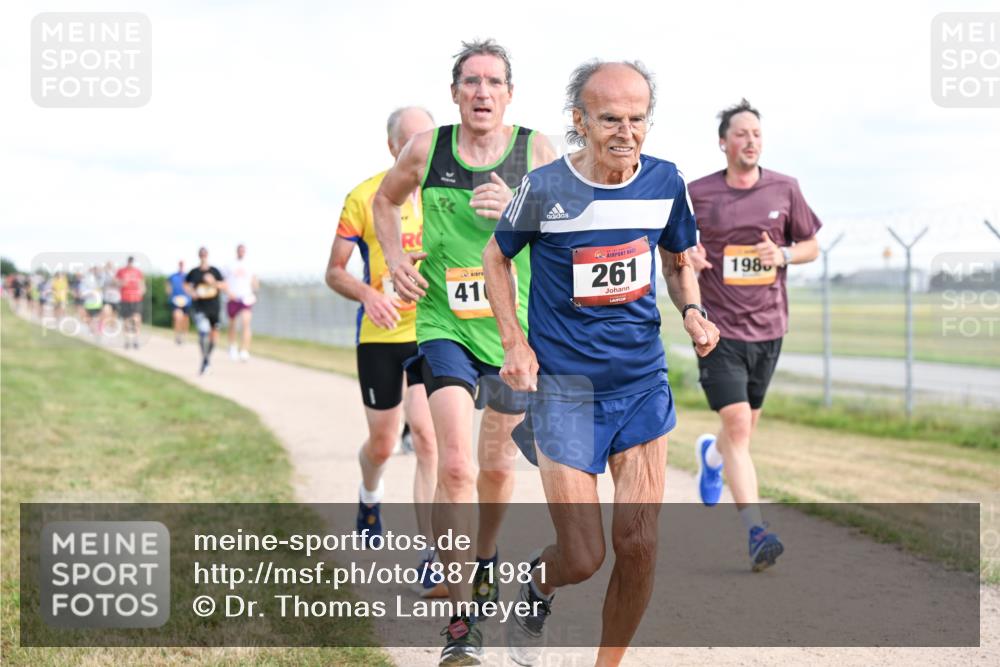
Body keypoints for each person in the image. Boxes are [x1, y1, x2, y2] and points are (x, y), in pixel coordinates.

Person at [484, 60, 719, 667]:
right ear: (580, 121)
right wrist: (514, 341)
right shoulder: (544, 188)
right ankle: (538, 587)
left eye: (637, 119)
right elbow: (496, 259)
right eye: (610, 118)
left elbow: (675, 258)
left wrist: (691, 310)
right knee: (584, 557)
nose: (626, 131)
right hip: (566, 392)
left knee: (638, 543)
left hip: (641, 385)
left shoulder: (666, 182)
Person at [374, 39, 555, 666]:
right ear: (454, 93)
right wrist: (395, 258)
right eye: (471, 82)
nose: (482, 93)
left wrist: (516, 209)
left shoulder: (537, 151)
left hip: (512, 331)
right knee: (456, 466)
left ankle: (483, 563)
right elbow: (385, 202)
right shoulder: (428, 148)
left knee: (499, 467)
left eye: (494, 83)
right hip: (443, 323)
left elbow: (568, 227)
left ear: (509, 94)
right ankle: (461, 616)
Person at [687, 98, 821, 571]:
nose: (750, 141)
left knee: (741, 432)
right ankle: (756, 531)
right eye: (741, 133)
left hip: (769, 328)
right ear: (723, 142)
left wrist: (782, 256)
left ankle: (712, 458)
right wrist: (689, 257)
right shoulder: (698, 193)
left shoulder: (786, 188)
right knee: (739, 426)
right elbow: (672, 247)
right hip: (717, 329)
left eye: (757, 134)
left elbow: (811, 245)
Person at [325, 105, 445, 598]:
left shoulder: (447, 195)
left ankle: (432, 553)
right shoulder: (364, 196)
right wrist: (369, 294)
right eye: (413, 140)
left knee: (428, 435)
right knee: (382, 443)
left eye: (430, 139)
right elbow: (334, 270)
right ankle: (369, 493)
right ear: (394, 147)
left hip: (434, 331)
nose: (423, 149)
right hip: (381, 333)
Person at [184, 247, 227, 375]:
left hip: (214, 307)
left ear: (207, 255)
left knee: (214, 335)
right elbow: (186, 285)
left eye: (205, 254)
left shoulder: (215, 271)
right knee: (204, 332)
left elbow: (224, 286)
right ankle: (205, 360)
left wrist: (213, 281)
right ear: (199, 255)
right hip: (200, 307)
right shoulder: (194, 272)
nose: (203, 256)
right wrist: (192, 292)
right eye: (201, 254)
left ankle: (207, 359)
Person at [224, 244, 259, 362]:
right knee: (233, 324)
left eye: (243, 250)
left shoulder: (250, 265)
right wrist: (229, 293)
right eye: (240, 250)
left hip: (245, 297)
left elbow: (254, 280)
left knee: (246, 323)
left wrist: (254, 292)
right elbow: (224, 281)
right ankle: (232, 346)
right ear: (237, 251)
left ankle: (244, 350)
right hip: (233, 297)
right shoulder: (229, 265)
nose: (241, 252)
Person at [116, 256, 145, 349]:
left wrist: (142, 291)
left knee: (137, 319)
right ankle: (127, 341)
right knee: (126, 320)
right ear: (127, 262)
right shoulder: (121, 271)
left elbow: (142, 285)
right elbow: (115, 282)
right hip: (125, 298)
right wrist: (121, 283)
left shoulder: (138, 272)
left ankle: (136, 340)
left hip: (136, 299)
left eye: (132, 262)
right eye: (129, 262)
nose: (130, 263)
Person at [166, 260, 191, 344]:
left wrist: (188, 291)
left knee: (185, 319)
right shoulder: (173, 276)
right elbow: (168, 284)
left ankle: (184, 335)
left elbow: (190, 287)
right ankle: (177, 336)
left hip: (186, 300)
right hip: (176, 300)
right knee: (177, 317)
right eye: (180, 265)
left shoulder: (188, 276)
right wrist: (169, 293)